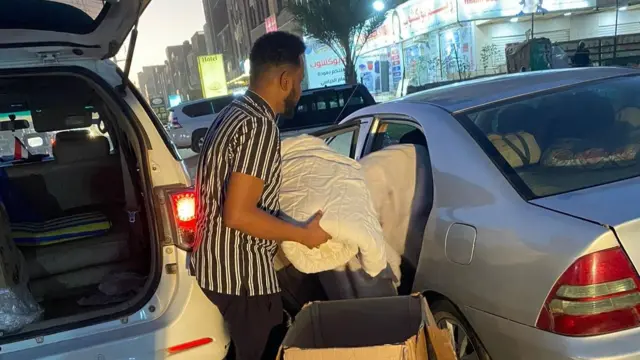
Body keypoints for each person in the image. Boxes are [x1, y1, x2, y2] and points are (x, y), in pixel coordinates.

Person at [191, 31, 331, 360]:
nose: (300, 89)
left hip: (216, 268)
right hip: (243, 275)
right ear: (285, 79)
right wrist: (303, 235)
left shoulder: (232, 113)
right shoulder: (259, 126)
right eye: (299, 79)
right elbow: (239, 214)